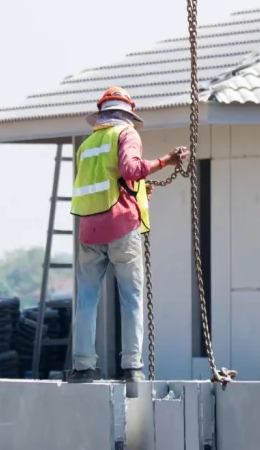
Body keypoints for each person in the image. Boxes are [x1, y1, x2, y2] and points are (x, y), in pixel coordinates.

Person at [66, 86, 189, 383]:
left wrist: (138, 191)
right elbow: (131, 168)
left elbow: (108, 182)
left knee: (85, 299)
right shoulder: (125, 134)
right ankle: (132, 367)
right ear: (127, 115)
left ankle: (83, 366)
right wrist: (165, 161)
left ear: (102, 115)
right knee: (131, 298)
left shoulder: (87, 145)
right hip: (121, 228)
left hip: (88, 231)